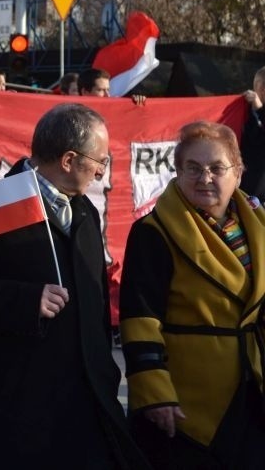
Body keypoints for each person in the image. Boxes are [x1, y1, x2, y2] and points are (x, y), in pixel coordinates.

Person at [0, 103, 150, 469]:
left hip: (85, 399)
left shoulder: (85, 210)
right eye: (98, 161)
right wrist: (27, 299)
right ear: (68, 159)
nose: (101, 171)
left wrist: (105, 372)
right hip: (19, 403)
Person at [120, 121, 265, 469]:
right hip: (185, 401)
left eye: (217, 168)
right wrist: (154, 392)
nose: (205, 178)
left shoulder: (259, 224)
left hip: (253, 389)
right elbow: (140, 317)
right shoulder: (152, 232)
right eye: (193, 168)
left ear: (239, 173)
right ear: (177, 172)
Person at [241, 66, 265, 202]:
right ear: (262, 90)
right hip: (248, 194)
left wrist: (260, 110)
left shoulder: (259, 112)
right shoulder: (244, 113)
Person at [80, 67, 146, 105]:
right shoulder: (73, 116)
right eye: (100, 90)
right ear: (85, 92)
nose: (107, 95)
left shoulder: (115, 108)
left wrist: (136, 105)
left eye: (108, 90)